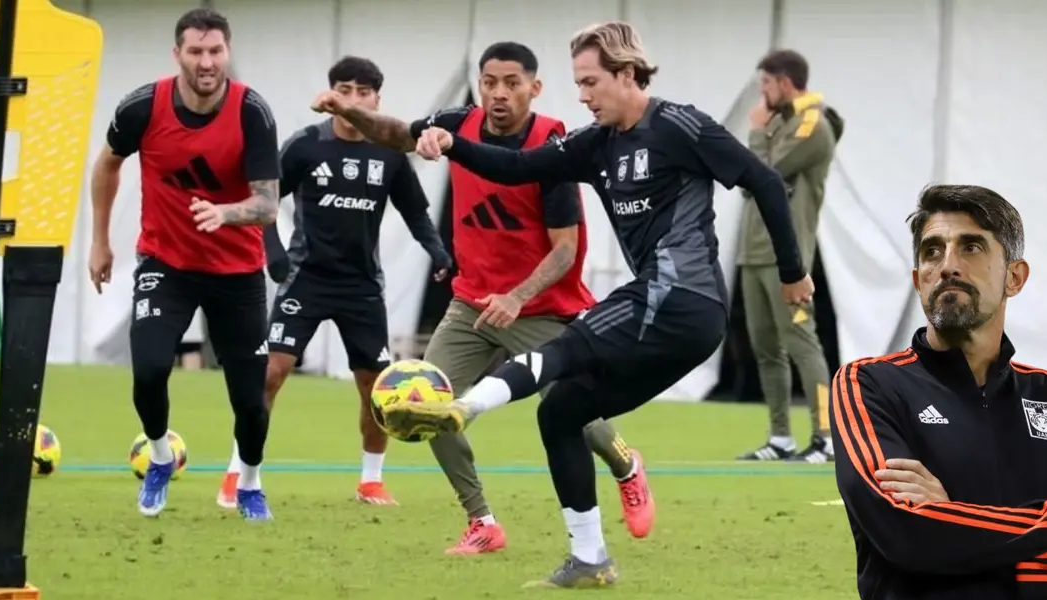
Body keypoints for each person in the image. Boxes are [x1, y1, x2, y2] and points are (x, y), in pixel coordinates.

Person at [316, 21, 812, 586]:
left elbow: (766, 183)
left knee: (567, 347)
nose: (583, 95)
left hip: (683, 299)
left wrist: (793, 274)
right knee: (562, 411)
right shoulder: (595, 144)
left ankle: (463, 408)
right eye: (578, 83)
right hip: (664, 312)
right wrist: (454, 145)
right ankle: (591, 559)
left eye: (590, 82)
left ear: (627, 75)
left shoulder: (679, 124)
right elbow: (516, 167)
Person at [310, 42, 649, 555]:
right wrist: (347, 110)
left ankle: (625, 462)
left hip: (542, 309)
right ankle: (482, 521)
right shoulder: (455, 125)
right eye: (489, 82)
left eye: (512, 83)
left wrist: (516, 297)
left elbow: (565, 250)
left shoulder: (551, 146)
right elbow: (396, 134)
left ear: (534, 89)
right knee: (429, 406)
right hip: (471, 305)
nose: (498, 93)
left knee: (573, 413)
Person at [832, 184, 1047, 599]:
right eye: (932, 251)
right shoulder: (869, 385)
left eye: (971, 247)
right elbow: (907, 531)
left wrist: (953, 526)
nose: (948, 266)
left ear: (1014, 277)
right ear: (918, 279)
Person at [215, 56, 452, 509]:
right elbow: (263, 201)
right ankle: (240, 473)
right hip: (306, 280)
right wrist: (274, 250)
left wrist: (438, 252)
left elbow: (415, 212)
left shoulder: (390, 153)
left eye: (364, 92)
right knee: (269, 375)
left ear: (378, 100)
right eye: (345, 90)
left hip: (361, 288)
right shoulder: (306, 145)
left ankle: (371, 480)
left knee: (376, 387)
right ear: (331, 96)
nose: (354, 100)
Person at [88, 8, 278, 521]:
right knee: (149, 370)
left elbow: (267, 206)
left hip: (236, 272)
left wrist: (225, 212)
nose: (206, 61)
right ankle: (159, 457)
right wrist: (100, 242)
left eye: (215, 50)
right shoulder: (143, 106)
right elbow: (106, 163)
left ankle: (252, 483)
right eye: (195, 51)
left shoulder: (251, 113)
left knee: (250, 400)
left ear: (228, 52)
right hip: (165, 262)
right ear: (178, 55)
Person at [737, 49, 842, 464]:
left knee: (802, 344)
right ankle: (779, 437)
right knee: (765, 349)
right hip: (753, 252)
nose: (761, 94)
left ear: (784, 81)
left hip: (788, 260)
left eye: (765, 84)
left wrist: (757, 134)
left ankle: (826, 437)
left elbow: (761, 176)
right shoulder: (781, 121)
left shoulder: (812, 123)